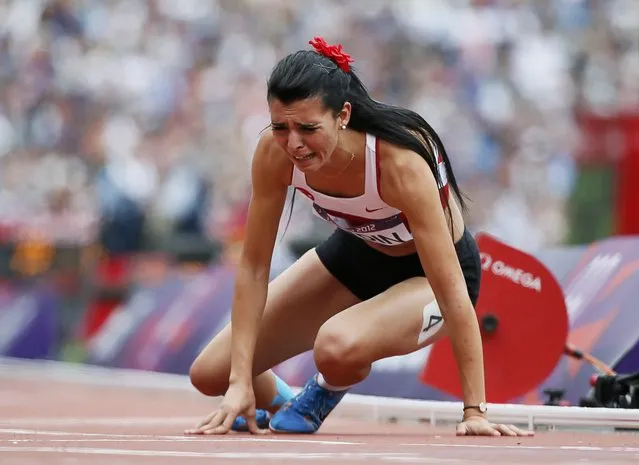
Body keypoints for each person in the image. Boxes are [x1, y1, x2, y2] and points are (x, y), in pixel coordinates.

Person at [185, 36, 533, 437]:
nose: (293, 143)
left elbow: (451, 285)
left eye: (308, 128)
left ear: (343, 115)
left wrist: (474, 410)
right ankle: (282, 400)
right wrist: (240, 383)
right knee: (210, 373)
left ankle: (322, 393)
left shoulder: (399, 163)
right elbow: (253, 267)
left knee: (335, 345)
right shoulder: (273, 153)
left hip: (429, 276)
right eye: (280, 126)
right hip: (355, 257)